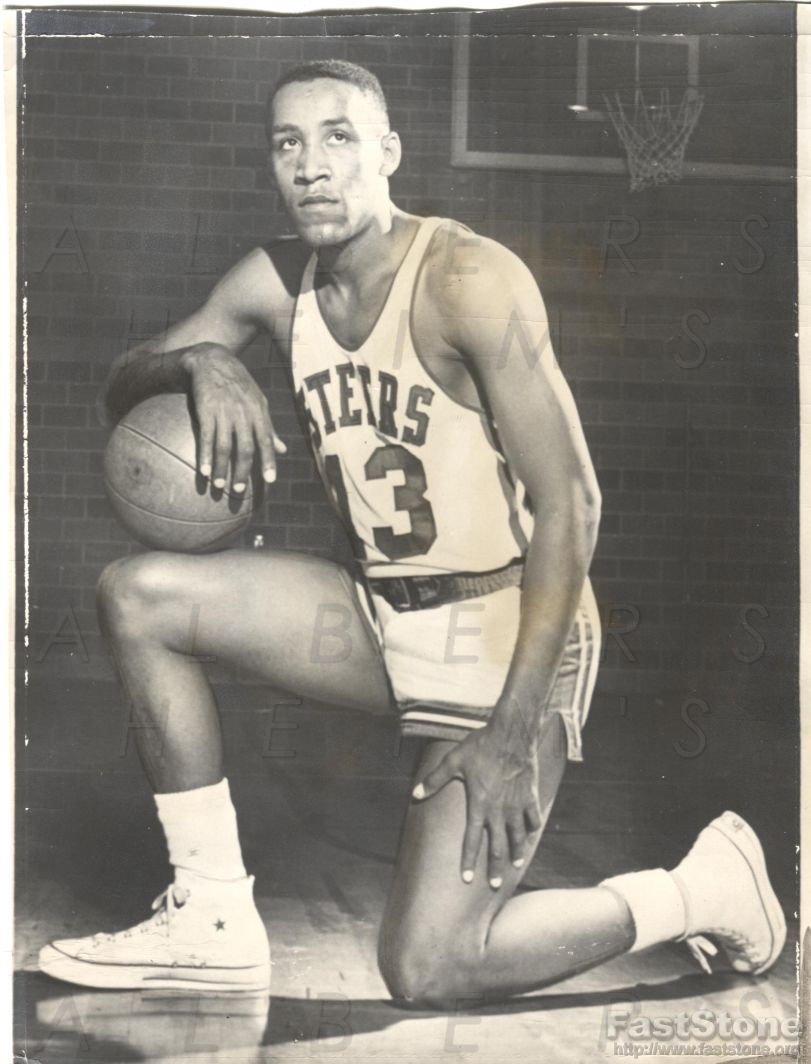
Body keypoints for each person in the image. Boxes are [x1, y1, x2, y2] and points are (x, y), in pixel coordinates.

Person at [39, 60, 785, 1004]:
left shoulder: (470, 279)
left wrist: (514, 733)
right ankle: (212, 913)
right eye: (288, 144)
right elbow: (121, 381)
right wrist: (199, 360)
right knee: (138, 595)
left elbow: (574, 505)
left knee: (430, 968)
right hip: (377, 616)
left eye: (338, 137)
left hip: (506, 632)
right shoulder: (273, 283)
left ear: (388, 152)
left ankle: (700, 888)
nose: (311, 165)